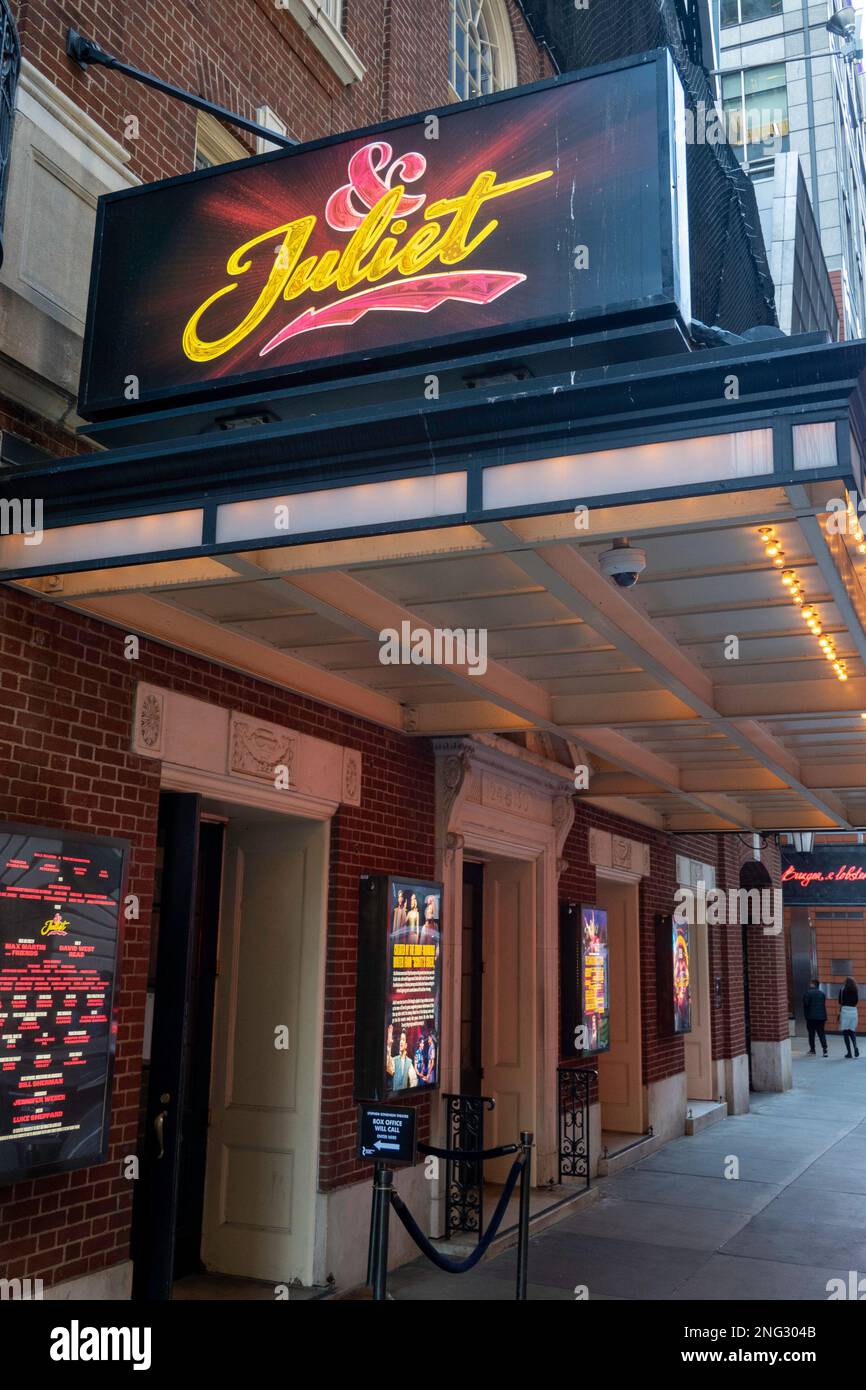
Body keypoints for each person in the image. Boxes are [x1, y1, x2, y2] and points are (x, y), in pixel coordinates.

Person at [802, 978, 828, 1057]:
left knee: (811, 1034)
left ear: (813, 984)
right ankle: (825, 1050)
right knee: (821, 1033)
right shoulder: (822, 993)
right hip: (821, 1017)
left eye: (811, 983)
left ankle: (812, 1050)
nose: (809, 984)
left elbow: (805, 1004)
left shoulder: (808, 993)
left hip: (811, 1017)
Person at [839, 976, 860, 1059]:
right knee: (852, 1031)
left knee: (845, 1033)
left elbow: (840, 1001)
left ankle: (849, 1053)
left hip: (845, 1011)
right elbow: (856, 1001)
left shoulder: (842, 990)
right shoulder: (855, 990)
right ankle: (855, 1047)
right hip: (854, 1011)